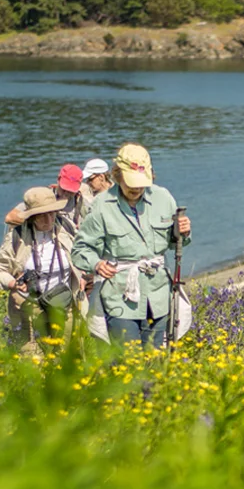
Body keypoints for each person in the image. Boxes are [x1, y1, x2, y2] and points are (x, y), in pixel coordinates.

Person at [71, 143, 192, 348]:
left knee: (156, 360)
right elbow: (80, 250)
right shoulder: (101, 205)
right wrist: (97, 264)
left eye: (140, 183)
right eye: (130, 182)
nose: (136, 188)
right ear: (117, 175)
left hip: (158, 296)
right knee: (127, 362)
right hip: (120, 297)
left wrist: (184, 233)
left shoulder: (163, 198)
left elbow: (174, 242)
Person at [0, 186, 90, 351]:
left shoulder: (66, 228)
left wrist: (83, 274)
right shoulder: (17, 237)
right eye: (42, 216)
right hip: (29, 306)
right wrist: (12, 283)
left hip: (63, 303)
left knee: (64, 356)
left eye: (52, 213)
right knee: (32, 359)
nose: (49, 220)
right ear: (31, 217)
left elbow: (82, 254)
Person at [5, 164, 85, 231]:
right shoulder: (43, 197)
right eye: (64, 189)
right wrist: (38, 222)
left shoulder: (82, 204)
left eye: (71, 191)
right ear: (58, 180)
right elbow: (10, 218)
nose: (66, 193)